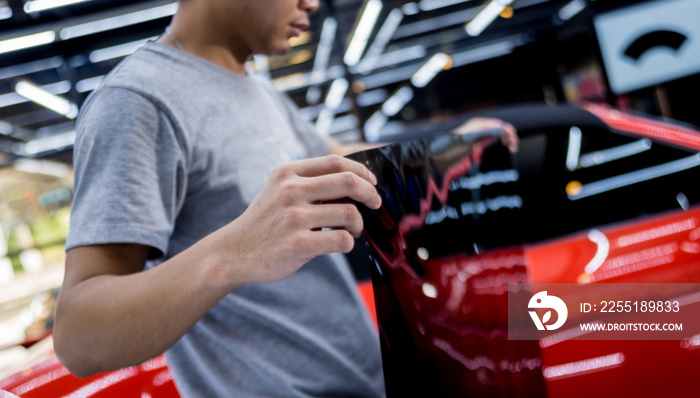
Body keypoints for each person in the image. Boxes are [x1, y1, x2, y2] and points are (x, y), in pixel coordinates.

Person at [53, 0, 517, 396]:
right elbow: (79, 335)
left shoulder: (256, 88)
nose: (313, 3)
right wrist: (234, 252)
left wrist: (451, 144)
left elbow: (339, 161)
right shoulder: (138, 100)